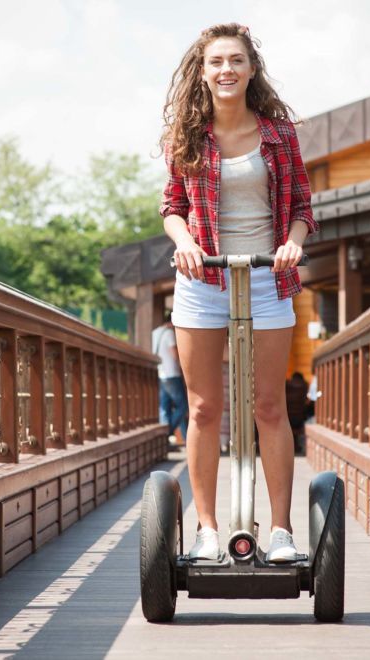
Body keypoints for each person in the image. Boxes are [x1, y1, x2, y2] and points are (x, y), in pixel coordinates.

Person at [159, 23, 318, 562]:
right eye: (216, 62)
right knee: (204, 409)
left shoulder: (279, 133)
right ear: (202, 73)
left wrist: (292, 246)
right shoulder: (187, 135)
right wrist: (183, 242)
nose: (226, 70)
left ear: (251, 69)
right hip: (203, 280)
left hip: (268, 277)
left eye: (236, 61)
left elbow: (300, 208)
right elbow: (172, 207)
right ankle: (206, 530)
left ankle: (280, 532)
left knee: (270, 407)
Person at [151, 318, 188, 444]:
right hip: (172, 373)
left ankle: (164, 439)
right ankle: (167, 432)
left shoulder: (154, 333)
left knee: (164, 407)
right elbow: (174, 354)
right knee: (183, 406)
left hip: (160, 373)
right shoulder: (169, 333)